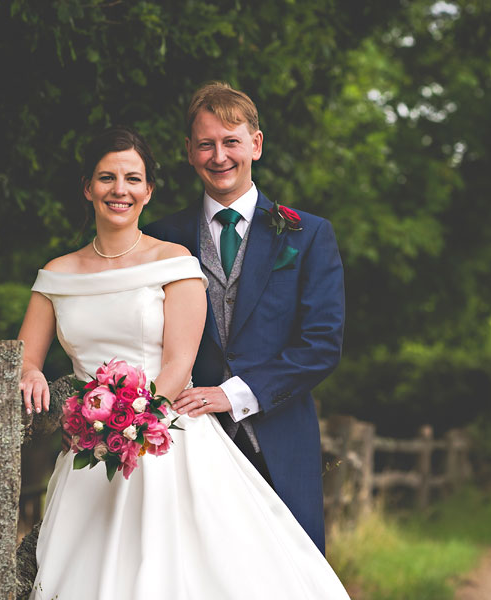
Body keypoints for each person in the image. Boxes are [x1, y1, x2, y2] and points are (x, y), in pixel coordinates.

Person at [19, 125, 350, 599]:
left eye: (132, 178)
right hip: (89, 454)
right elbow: (26, 356)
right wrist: (31, 372)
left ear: (148, 189)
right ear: (87, 187)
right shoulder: (56, 274)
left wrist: (131, 423)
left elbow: (179, 363)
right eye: (107, 177)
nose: (120, 189)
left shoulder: (175, 259)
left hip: (167, 438)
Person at [143, 82, 346, 554]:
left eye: (231, 141)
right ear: (189, 153)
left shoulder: (308, 235)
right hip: (183, 445)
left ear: (255, 143)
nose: (220, 156)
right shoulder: (159, 238)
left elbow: (320, 345)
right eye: (206, 144)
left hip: (278, 444)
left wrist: (230, 395)